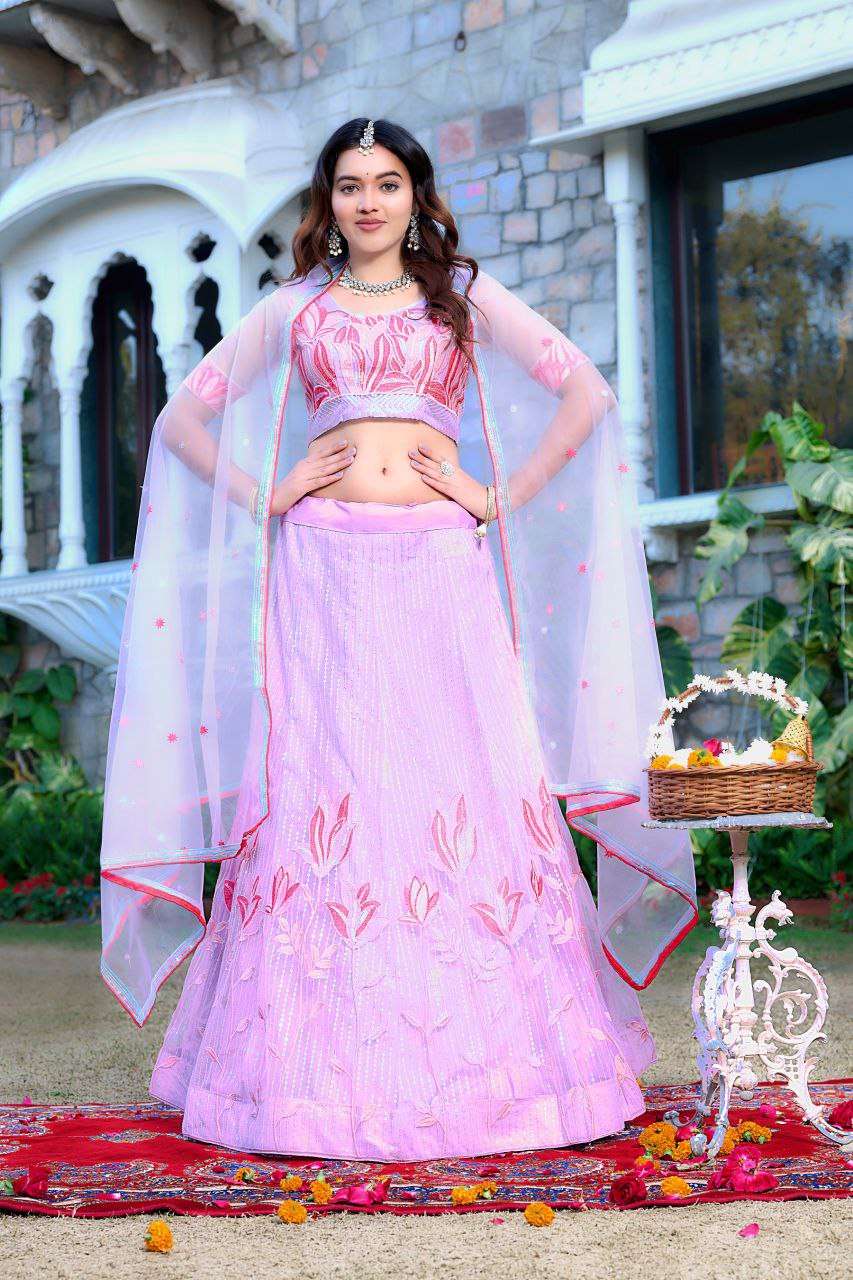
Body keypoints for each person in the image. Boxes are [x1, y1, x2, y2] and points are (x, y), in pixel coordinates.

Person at [99, 117, 697, 1161]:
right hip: (322, 571)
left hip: (437, 567)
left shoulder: (458, 295)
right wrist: (269, 489)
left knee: (458, 781)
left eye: (385, 183)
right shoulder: (293, 309)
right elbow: (180, 422)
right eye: (348, 185)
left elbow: (585, 392)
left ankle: (503, 1079)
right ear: (326, 202)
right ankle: (301, 1085)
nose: (367, 202)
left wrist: (494, 495)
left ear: (414, 194)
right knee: (323, 788)